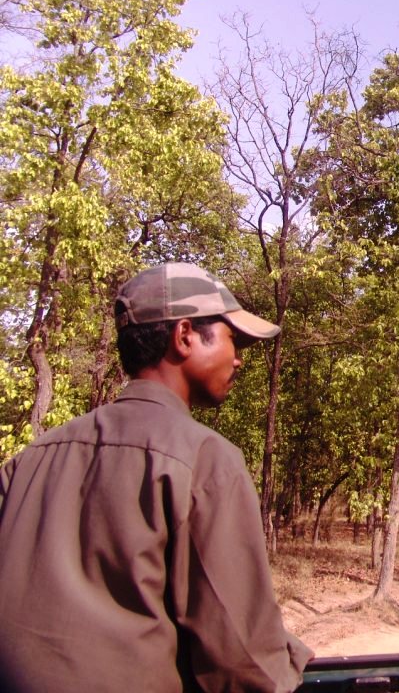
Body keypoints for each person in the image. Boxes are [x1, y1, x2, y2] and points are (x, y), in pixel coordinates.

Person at [0, 262, 314, 692]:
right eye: (232, 339)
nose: (239, 359)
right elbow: (242, 663)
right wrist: (287, 662)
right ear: (184, 336)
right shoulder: (206, 459)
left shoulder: (30, 459)